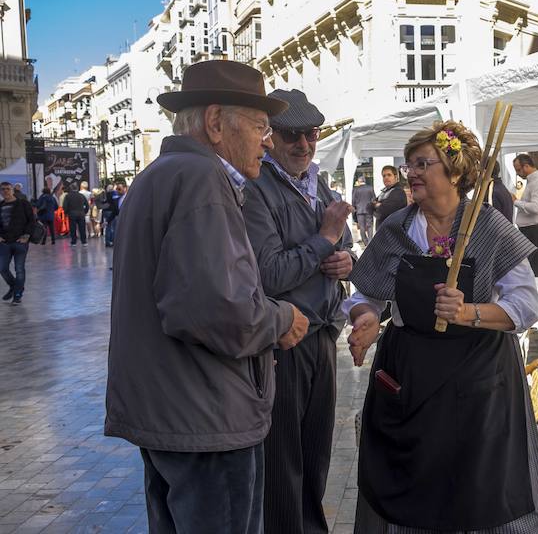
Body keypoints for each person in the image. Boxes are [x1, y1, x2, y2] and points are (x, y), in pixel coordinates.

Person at [104, 60, 310, 534]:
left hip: (173, 412)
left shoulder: (161, 174)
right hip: (206, 417)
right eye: (260, 126)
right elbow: (217, 310)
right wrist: (283, 319)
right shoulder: (201, 179)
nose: (267, 140)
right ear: (217, 123)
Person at [344, 120, 538, 532]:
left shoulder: (489, 227)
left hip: (480, 376)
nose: (413, 173)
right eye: (409, 165)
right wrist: (365, 318)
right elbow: (366, 294)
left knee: (478, 485)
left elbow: (527, 304)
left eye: (423, 163)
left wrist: (469, 312)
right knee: (409, 484)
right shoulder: (397, 227)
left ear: (454, 172)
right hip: (409, 372)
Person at [241, 89, 355, 534]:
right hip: (284, 342)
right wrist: (327, 239)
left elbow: (339, 253)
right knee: (283, 461)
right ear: (270, 136)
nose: (304, 144)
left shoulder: (317, 183)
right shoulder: (256, 188)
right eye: (292, 135)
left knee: (316, 455)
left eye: (311, 134)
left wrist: (346, 259)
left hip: (323, 338)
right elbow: (267, 273)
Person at [512, 154, 538, 277]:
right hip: (531, 229)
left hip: (535, 230)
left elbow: (536, 207)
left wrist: (516, 202)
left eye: (518, 170)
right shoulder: (533, 182)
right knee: (530, 270)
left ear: (527, 166)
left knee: (536, 271)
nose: (518, 174)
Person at [0, 181, 34, 304]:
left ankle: (17, 295)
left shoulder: (23, 203)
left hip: (20, 242)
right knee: (2, 268)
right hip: (4, 242)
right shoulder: (0, 205)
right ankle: (15, 286)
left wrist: (26, 236)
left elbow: (32, 220)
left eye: (8, 189)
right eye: (3, 189)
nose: (5, 191)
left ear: (13, 190)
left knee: (19, 269)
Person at [373, 165, 408, 230]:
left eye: (389, 175)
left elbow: (384, 211)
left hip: (392, 233)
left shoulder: (398, 192)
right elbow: (369, 207)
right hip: (382, 231)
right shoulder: (384, 192)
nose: (386, 178)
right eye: (384, 176)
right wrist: (378, 206)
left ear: (395, 177)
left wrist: (377, 206)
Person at [351, 175, 375, 245]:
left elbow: (353, 200)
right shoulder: (370, 188)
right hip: (369, 210)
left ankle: (365, 242)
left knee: (362, 227)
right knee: (370, 226)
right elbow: (373, 199)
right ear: (364, 181)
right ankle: (370, 241)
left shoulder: (355, 189)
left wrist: (354, 209)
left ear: (359, 181)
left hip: (359, 210)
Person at [104, 180, 127, 247]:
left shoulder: (129, 198)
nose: (117, 191)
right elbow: (115, 212)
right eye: (116, 189)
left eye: (119, 189)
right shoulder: (117, 200)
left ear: (125, 188)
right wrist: (107, 221)